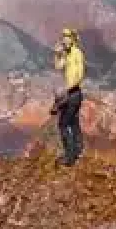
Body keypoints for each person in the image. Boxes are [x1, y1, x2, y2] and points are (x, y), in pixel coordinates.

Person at [51, 26, 85, 166]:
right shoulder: (66, 53)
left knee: (63, 124)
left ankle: (69, 157)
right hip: (69, 93)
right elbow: (58, 67)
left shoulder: (77, 53)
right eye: (64, 37)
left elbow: (80, 75)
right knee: (73, 122)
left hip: (73, 93)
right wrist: (57, 54)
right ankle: (77, 150)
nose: (65, 40)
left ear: (73, 39)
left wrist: (66, 89)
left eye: (68, 37)